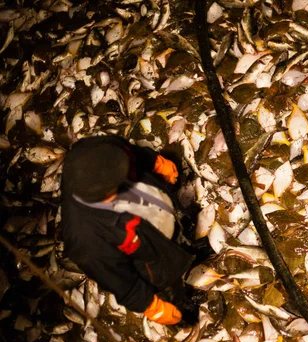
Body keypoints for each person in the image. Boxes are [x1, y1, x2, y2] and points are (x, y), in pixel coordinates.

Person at [60, 135, 213, 325]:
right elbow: (118, 280)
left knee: (178, 233)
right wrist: (151, 306)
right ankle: (180, 301)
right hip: (152, 259)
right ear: (104, 195)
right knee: (170, 284)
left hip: (159, 213)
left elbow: (129, 152)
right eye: (119, 179)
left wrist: (156, 162)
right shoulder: (86, 239)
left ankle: (188, 248)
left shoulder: (97, 151)